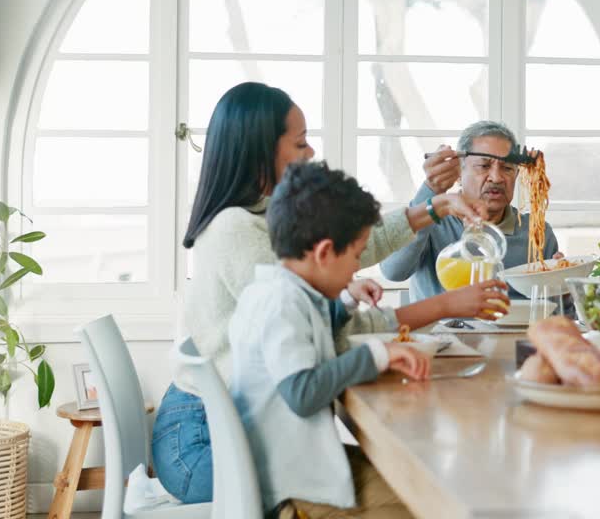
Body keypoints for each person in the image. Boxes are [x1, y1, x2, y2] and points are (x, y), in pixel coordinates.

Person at [153, 82, 509, 503]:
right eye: (300, 143)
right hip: (202, 439)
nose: (310, 154)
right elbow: (329, 326)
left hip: (243, 423)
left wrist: (434, 208)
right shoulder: (235, 230)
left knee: (396, 481)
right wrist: (438, 308)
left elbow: (352, 245)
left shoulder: (265, 214)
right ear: (258, 151)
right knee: (400, 483)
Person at [232, 161, 427, 518]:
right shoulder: (281, 303)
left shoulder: (279, 292)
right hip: (295, 488)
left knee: (417, 482)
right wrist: (377, 353)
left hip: (298, 468)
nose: (355, 269)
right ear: (323, 253)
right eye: (354, 257)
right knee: (422, 503)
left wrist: (346, 302)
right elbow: (303, 392)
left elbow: (309, 339)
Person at [380, 120, 560, 301]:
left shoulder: (537, 233)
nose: (496, 178)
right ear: (459, 172)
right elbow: (393, 271)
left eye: (507, 168)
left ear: (517, 175)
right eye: (484, 166)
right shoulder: (432, 221)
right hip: (441, 329)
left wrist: (562, 286)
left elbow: (555, 311)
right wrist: (431, 189)